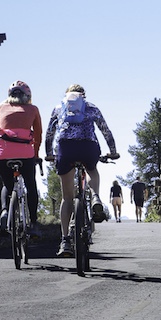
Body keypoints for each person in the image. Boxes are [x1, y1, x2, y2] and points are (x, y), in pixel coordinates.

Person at [44, 84, 118, 257]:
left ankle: (65, 241)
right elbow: (105, 130)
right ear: (83, 95)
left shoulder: (58, 108)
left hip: (65, 148)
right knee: (92, 170)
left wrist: (49, 153)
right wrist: (113, 151)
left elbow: (50, 133)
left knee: (67, 198)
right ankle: (95, 197)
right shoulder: (91, 107)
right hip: (88, 146)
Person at [0, 80, 43, 235]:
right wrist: (36, 154)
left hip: (3, 155)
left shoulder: (1, 107)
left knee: (7, 186)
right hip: (26, 155)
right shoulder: (33, 109)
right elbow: (38, 135)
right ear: (27, 96)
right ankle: (34, 224)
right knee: (31, 186)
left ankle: (5, 211)